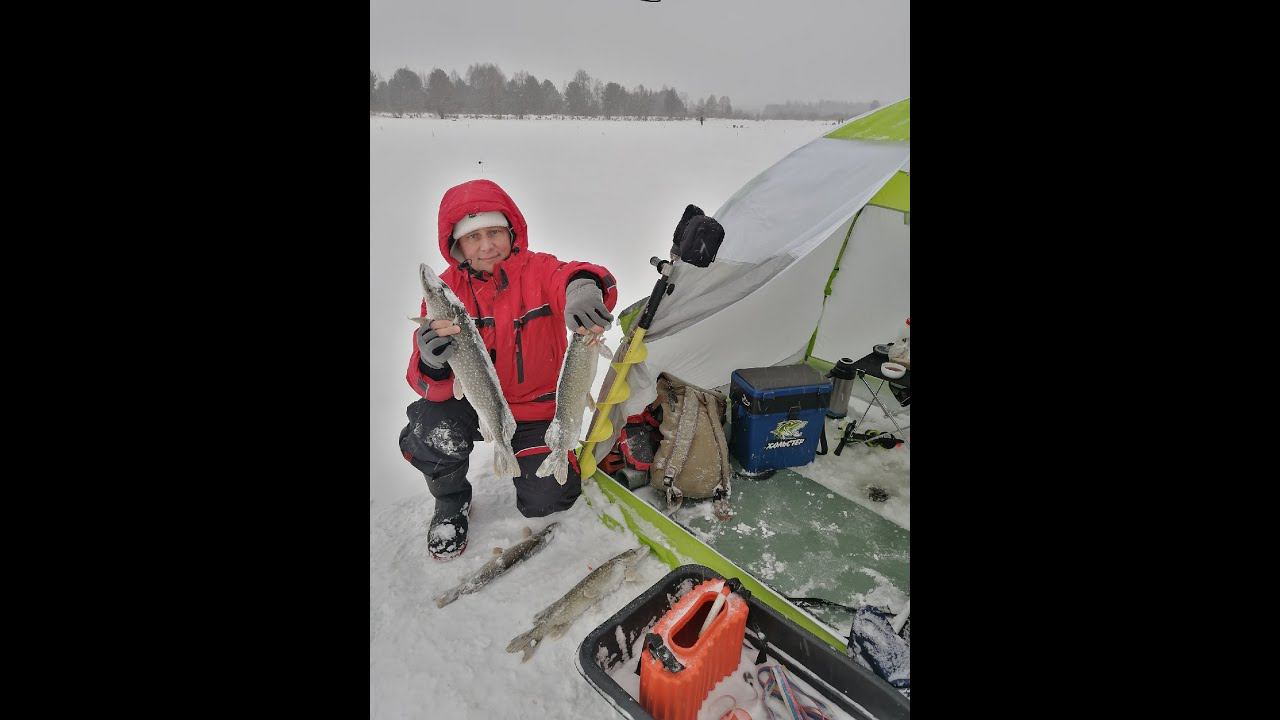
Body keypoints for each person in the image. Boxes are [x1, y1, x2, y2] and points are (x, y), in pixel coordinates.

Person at [398, 179, 618, 560]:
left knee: (548, 500)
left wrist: (585, 287)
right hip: (475, 407)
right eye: (473, 237)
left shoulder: (539, 270)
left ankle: (532, 466)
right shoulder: (447, 292)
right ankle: (451, 501)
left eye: (495, 232)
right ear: (457, 245)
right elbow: (425, 385)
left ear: (511, 231)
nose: (486, 245)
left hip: (536, 412)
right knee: (430, 427)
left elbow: (574, 274)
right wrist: (432, 360)